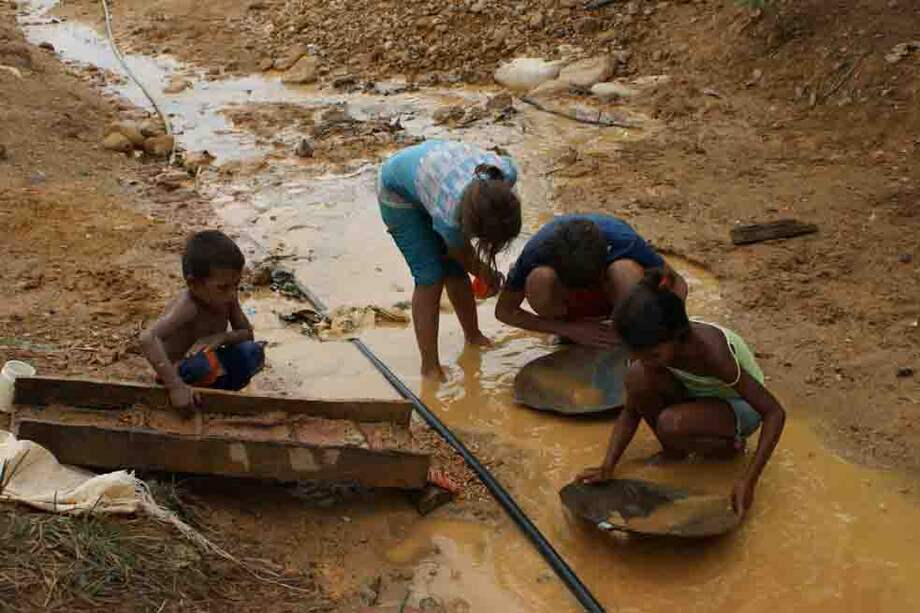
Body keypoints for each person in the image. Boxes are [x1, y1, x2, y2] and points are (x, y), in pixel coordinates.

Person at [577, 269, 786, 516]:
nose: (645, 359)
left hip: (740, 403)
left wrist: (749, 481)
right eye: (637, 353)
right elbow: (631, 411)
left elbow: (774, 412)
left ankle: (728, 447)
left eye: (652, 354)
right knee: (636, 376)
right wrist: (607, 465)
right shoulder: (655, 347)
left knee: (671, 423)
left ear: (676, 337)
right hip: (699, 394)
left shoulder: (712, 354)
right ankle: (674, 451)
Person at [378, 139, 522, 380]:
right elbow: (460, 253)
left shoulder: (506, 173)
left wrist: (483, 270)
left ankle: (473, 336)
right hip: (397, 192)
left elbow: (461, 257)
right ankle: (430, 367)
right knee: (430, 276)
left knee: (454, 270)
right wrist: (486, 273)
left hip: (430, 171)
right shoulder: (450, 216)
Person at [495, 213, 687, 347]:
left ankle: (628, 328)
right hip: (567, 313)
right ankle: (566, 335)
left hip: (615, 303)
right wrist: (567, 329)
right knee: (539, 280)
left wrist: (668, 331)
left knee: (624, 271)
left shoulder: (624, 240)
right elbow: (504, 311)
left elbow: (678, 284)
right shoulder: (536, 252)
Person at [140, 230, 264, 412]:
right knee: (202, 367)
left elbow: (247, 335)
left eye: (236, 285)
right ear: (193, 284)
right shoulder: (188, 306)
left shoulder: (228, 298)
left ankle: (221, 395)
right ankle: (189, 394)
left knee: (252, 352)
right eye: (223, 287)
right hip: (181, 371)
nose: (232, 293)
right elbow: (148, 338)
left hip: (208, 362)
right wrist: (175, 386)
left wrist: (221, 338)